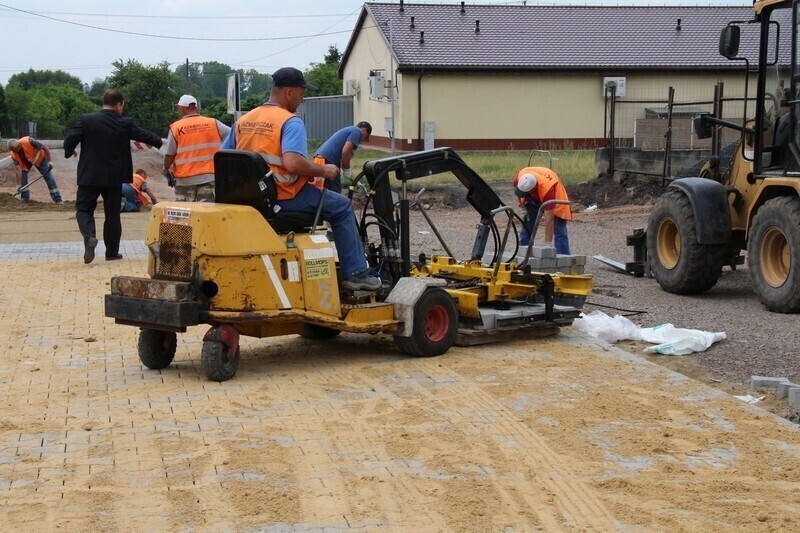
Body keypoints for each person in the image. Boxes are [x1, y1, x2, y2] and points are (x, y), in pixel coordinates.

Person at [221, 67, 381, 291]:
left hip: (252, 199)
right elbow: (293, 163)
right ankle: (355, 274)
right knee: (342, 206)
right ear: (288, 93)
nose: (302, 99)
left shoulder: (244, 121)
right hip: (284, 198)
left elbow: (224, 157)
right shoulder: (290, 121)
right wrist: (324, 171)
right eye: (301, 93)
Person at [64, 89, 163, 264]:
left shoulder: (86, 120)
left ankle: (89, 237)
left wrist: (69, 151)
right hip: (114, 178)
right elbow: (144, 135)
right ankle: (111, 253)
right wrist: (160, 142)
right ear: (119, 104)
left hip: (90, 176)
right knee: (112, 215)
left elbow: (70, 139)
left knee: (84, 210)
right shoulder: (125, 123)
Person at [162, 94, 230, 202]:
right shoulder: (213, 123)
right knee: (205, 212)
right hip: (209, 176)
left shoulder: (176, 127)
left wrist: (165, 169)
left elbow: (170, 154)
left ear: (182, 109)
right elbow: (232, 136)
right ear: (196, 107)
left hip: (185, 178)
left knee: (186, 213)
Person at [513, 167, 572, 254]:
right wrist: (523, 207)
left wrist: (547, 246)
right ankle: (523, 255)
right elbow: (518, 193)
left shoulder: (548, 190)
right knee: (527, 227)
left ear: (533, 189)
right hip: (533, 197)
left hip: (555, 197)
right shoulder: (519, 178)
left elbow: (549, 220)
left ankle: (563, 260)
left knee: (559, 231)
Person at [312, 121, 372, 193]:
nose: (362, 140)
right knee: (335, 193)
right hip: (329, 162)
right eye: (366, 136)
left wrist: (349, 173)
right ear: (364, 130)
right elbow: (345, 152)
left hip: (320, 160)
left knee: (322, 192)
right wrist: (347, 170)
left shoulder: (349, 130)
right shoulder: (357, 131)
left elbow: (344, 155)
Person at [7, 136, 63, 203]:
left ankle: (57, 199)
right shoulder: (13, 154)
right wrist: (18, 185)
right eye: (12, 150)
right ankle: (24, 199)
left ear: (18, 146)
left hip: (40, 158)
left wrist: (49, 161)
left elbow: (44, 147)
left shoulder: (29, 141)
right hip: (26, 162)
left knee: (48, 177)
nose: (13, 151)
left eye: (14, 149)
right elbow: (18, 170)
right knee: (23, 178)